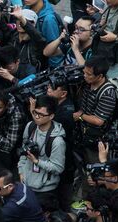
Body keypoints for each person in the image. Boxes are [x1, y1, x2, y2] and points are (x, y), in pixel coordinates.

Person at [18, 95, 66, 203]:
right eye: (35, 112)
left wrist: (37, 161)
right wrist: (21, 171)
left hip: (45, 191)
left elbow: (58, 168)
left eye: (41, 115)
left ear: (51, 116)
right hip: (26, 184)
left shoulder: (57, 141)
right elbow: (23, 151)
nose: (37, 117)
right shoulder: (30, 126)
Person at [73, 57, 116, 163]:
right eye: (84, 72)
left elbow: (98, 120)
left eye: (88, 74)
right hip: (83, 132)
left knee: (93, 166)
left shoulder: (107, 94)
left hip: (96, 140)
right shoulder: (89, 82)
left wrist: (80, 116)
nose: (84, 76)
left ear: (100, 76)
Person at [44, 83, 76, 211]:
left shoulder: (66, 112)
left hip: (64, 156)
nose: (48, 90)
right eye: (49, 87)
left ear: (63, 94)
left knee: (62, 193)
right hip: (55, 154)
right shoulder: (56, 105)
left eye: (53, 88)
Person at [24, 0, 63, 67]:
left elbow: (54, 50)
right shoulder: (26, 9)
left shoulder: (49, 19)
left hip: (43, 65)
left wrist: (52, 71)